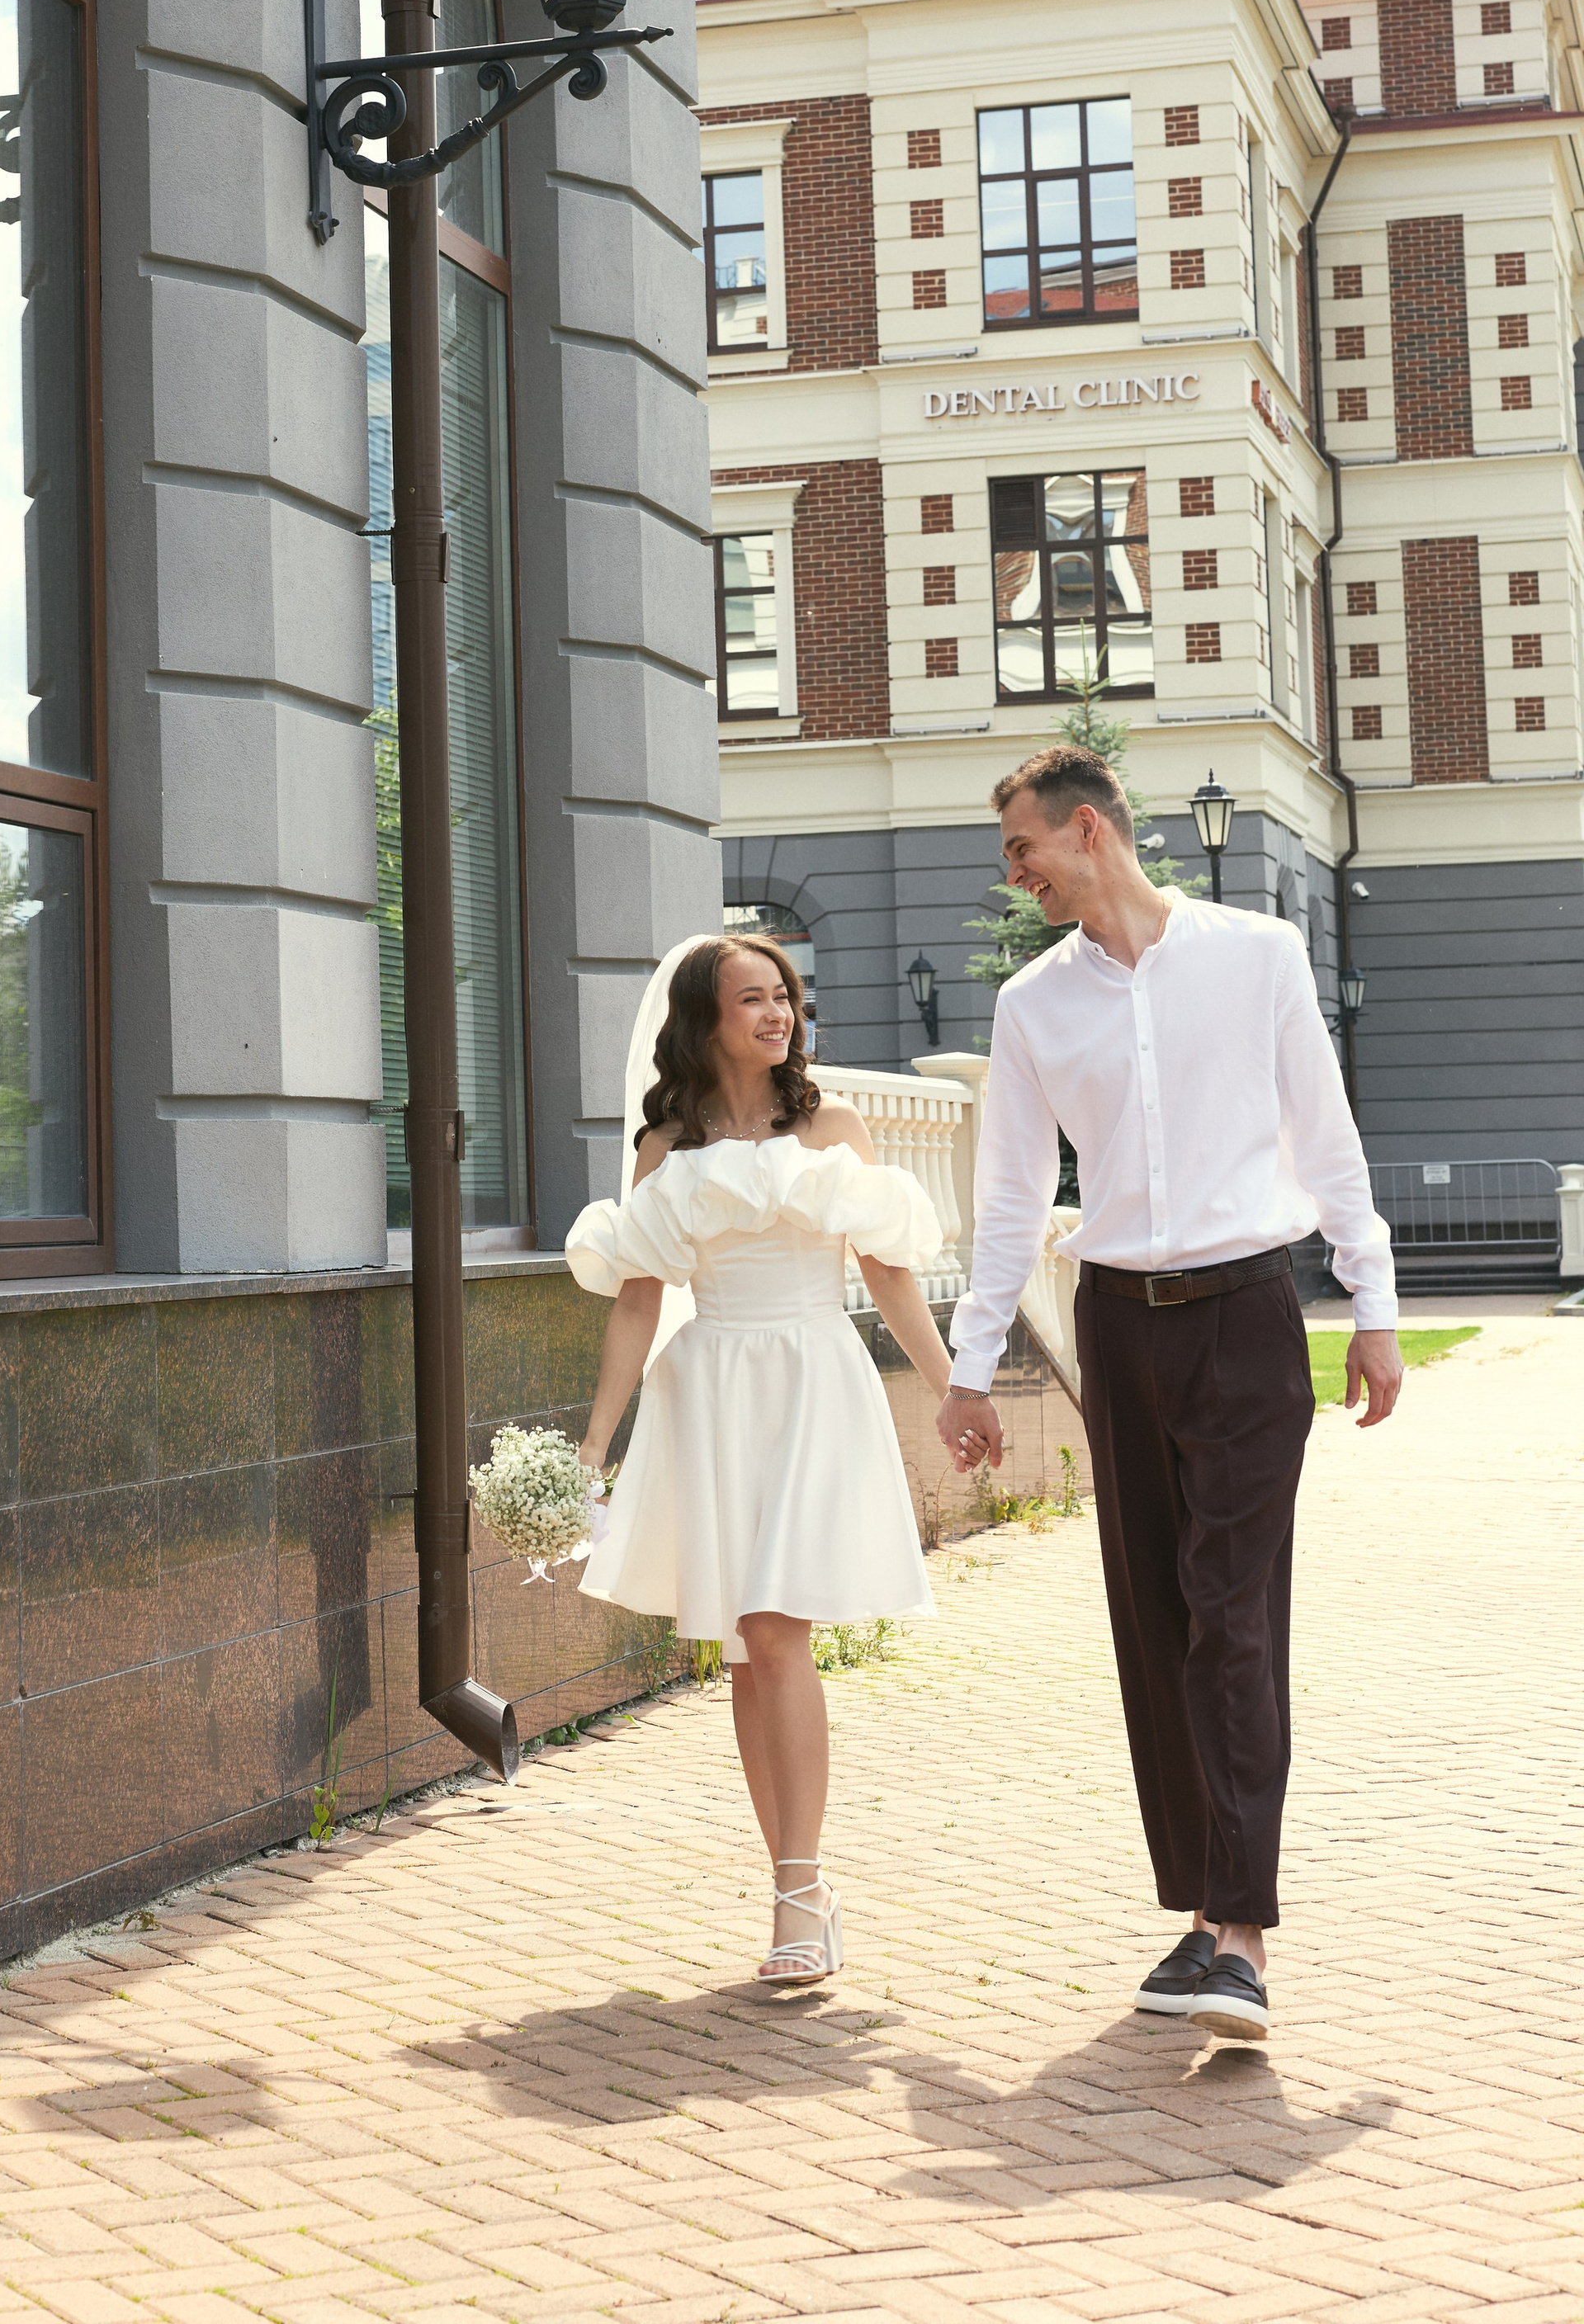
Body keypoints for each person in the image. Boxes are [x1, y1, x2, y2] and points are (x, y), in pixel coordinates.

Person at [937, 744, 1402, 2045]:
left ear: (1089, 832)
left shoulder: (1255, 957)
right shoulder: (1033, 1006)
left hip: (1249, 1321)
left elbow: (1325, 1131)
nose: (1014, 872)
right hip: (1120, 1334)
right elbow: (1012, 1201)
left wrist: (1373, 1306)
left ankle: (1240, 1938)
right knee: (1156, 1620)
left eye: (1022, 848)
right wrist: (971, 1368)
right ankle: (1198, 1912)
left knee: (1232, 1612)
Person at [569, 931, 953, 1985]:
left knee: (778, 1631)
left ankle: (799, 1891)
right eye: (753, 1000)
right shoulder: (665, 1147)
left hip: (812, 1384)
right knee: (747, 1644)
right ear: (706, 1021)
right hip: (711, 1392)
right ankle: (795, 1886)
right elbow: (639, 1300)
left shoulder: (831, 1125)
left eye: (783, 996)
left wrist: (951, 1385)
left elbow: (888, 1272)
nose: (777, 1014)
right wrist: (595, 1444)